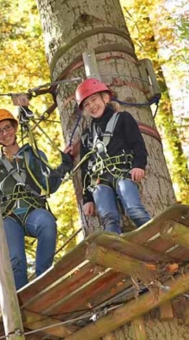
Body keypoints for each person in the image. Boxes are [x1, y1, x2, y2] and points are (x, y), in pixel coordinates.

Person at [0, 103, 72, 290]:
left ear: (15, 128)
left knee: (47, 223)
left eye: (7, 127)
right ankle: (23, 297)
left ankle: (43, 280)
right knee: (16, 260)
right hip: (9, 215)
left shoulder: (32, 154)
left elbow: (48, 185)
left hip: (31, 209)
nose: (5, 133)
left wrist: (63, 168)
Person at [74, 78, 152, 235]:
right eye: (87, 104)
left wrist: (138, 165)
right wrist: (87, 198)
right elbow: (85, 169)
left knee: (134, 209)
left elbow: (137, 144)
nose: (92, 106)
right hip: (99, 180)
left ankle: (159, 239)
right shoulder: (87, 136)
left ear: (106, 98)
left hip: (122, 172)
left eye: (94, 100)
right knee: (108, 219)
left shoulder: (122, 118)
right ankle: (116, 251)